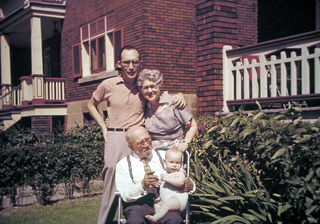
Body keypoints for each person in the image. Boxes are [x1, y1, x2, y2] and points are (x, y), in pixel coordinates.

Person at [87, 46, 186, 224]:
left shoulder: (142, 87)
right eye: (126, 62)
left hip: (140, 138)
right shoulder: (108, 84)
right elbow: (91, 105)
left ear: (140, 63)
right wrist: (103, 126)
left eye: (134, 62)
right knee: (111, 181)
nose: (131, 66)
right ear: (119, 64)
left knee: (151, 176)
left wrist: (179, 96)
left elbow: (160, 95)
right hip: (116, 137)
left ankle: (153, 214)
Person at [115, 126, 185, 224]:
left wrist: (186, 183)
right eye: (141, 143)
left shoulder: (164, 156)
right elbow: (125, 195)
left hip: (164, 202)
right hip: (138, 205)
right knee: (134, 221)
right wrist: (142, 185)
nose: (147, 145)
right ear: (131, 147)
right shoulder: (123, 165)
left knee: (174, 220)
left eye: (148, 139)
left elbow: (183, 177)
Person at [136, 68, 198, 152]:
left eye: (153, 86)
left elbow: (193, 126)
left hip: (175, 152)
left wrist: (185, 143)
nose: (150, 90)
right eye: (146, 88)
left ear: (159, 86)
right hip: (154, 152)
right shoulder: (144, 107)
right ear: (141, 90)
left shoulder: (175, 103)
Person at [145, 148, 193, 223]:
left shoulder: (180, 173)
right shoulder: (164, 172)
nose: (174, 165)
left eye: (177, 163)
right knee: (156, 204)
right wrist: (158, 183)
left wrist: (168, 179)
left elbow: (180, 182)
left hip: (177, 199)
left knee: (166, 205)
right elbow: (164, 186)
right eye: (171, 162)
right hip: (165, 198)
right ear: (165, 162)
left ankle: (155, 218)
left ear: (181, 163)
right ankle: (159, 219)